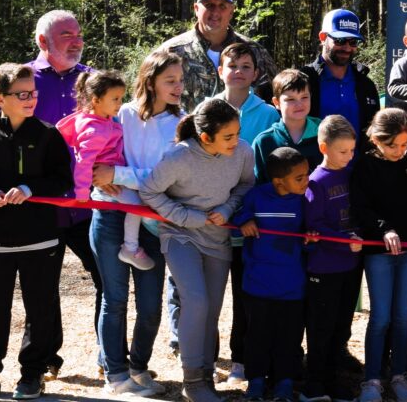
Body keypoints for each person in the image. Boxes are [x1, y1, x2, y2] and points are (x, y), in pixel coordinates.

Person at [0, 11, 102, 360]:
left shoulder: (92, 80)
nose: (77, 40)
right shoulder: (20, 80)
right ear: (43, 42)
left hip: (86, 203)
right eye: (67, 34)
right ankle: (44, 358)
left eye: (79, 34)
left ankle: (109, 357)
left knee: (107, 280)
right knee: (42, 289)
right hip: (38, 206)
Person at [0, 63, 74, 400]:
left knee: (40, 307)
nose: (30, 99)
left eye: (33, 93)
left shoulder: (48, 134)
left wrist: (29, 188)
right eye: (21, 94)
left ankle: (32, 374)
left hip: (42, 237)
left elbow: (62, 179)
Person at [140, 99, 256, 402]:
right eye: (227, 137)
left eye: (237, 133)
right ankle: (192, 381)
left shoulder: (242, 151)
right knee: (197, 300)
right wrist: (184, 216)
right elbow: (149, 191)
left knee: (211, 310)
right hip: (180, 235)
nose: (236, 141)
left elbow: (246, 186)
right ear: (206, 137)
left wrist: (228, 208)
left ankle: (205, 376)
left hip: (217, 237)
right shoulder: (178, 156)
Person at [95, 50, 185, 396]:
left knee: (150, 305)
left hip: (153, 221)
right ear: (150, 81)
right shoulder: (122, 114)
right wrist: (95, 173)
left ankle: (138, 366)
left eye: (180, 80)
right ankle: (116, 376)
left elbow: (168, 179)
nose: (178, 87)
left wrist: (118, 174)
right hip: (110, 215)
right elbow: (92, 148)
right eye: (170, 80)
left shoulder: (183, 123)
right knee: (114, 299)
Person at [351, 108, 407, 402]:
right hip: (378, 253)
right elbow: (360, 208)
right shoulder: (364, 166)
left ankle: (399, 374)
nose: (399, 151)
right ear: (375, 139)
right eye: (391, 146)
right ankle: (371, 379)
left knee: (403, 316)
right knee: (381, 317)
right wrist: (384, 229)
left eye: (404, 144)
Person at [231, 147, 313, 401]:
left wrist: (311, 236)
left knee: (289, 337)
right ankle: (255, 381)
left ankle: (284, 383)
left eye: (306, 174)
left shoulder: (305, 200)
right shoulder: (256, 196)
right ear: (279, 181)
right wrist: (244, 223)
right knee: (257, 335)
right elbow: (236, 226)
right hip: (258, 284)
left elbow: (312, 228)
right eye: (299, 177)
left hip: (292, 285)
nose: (306, 181)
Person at [56, 70, 157, 272]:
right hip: (110, 183)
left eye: (121, 98)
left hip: (115, 174)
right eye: (115, 99)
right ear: (96, 100)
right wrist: (82, 192)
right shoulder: (95, 130)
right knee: (137, 206)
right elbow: (83, 162)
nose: (120, 103)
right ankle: (130, 247)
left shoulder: (100, 119)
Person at [301, 115, 366, 400]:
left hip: (349, 266)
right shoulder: (315, 182)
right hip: (324, 267)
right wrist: (344, 243)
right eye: (343, 151)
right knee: (321, 327)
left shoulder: (350, 174)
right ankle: (314, 383)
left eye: (352, 150)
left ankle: (333, 379)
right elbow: (314, 225)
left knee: (341, 325)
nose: (349, 156)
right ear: (323, 147)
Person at [157, 0, 278, 110]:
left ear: (231, 11)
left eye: (222, 6)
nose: (215, 12)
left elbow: (279, 99)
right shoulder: (171, 52)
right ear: (196, 9)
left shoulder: (255, 52)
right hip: (184, 129)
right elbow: (149, 100)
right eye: (209, 5)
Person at [301, 8, 382, 128]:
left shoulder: (366, 84)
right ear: (323, 38)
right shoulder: (304, 80)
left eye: (353, 42)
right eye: (340, 40)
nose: (347, 48)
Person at [253, 71, 324, 181]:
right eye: (291, 99)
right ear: (276, 102)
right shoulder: (264, 142)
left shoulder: (325, 134)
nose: (299, 104)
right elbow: (257, 185)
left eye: (304, 97)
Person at [210, 42, 280, 144]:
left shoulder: (269, 114)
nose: (239, 71)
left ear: (255, 74)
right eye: (232, 66)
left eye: (246, 67)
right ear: (220, 72)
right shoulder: (207, 110)